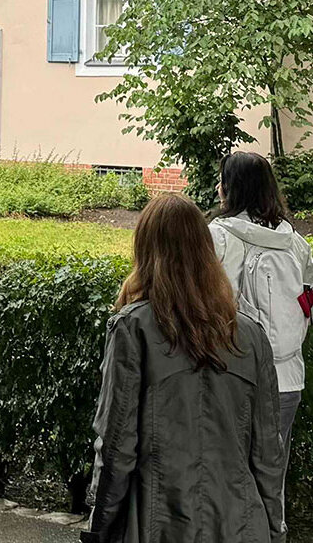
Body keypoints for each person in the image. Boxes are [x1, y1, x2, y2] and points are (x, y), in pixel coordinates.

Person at [82, 193, 285, 543]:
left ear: (145, 251)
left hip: (156, 522)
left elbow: (117, 449)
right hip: (242, 524)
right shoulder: (251, 335)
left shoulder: (133, 328)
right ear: (206, 250)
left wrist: (98, 527)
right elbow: (268, 452)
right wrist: (274, 528)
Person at [209, 151, 313, 481]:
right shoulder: (296, 244)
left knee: (228, 486)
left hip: (232, 379)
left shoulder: (217, 237)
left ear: (229, 188)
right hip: (287, 379)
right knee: (271, 485)